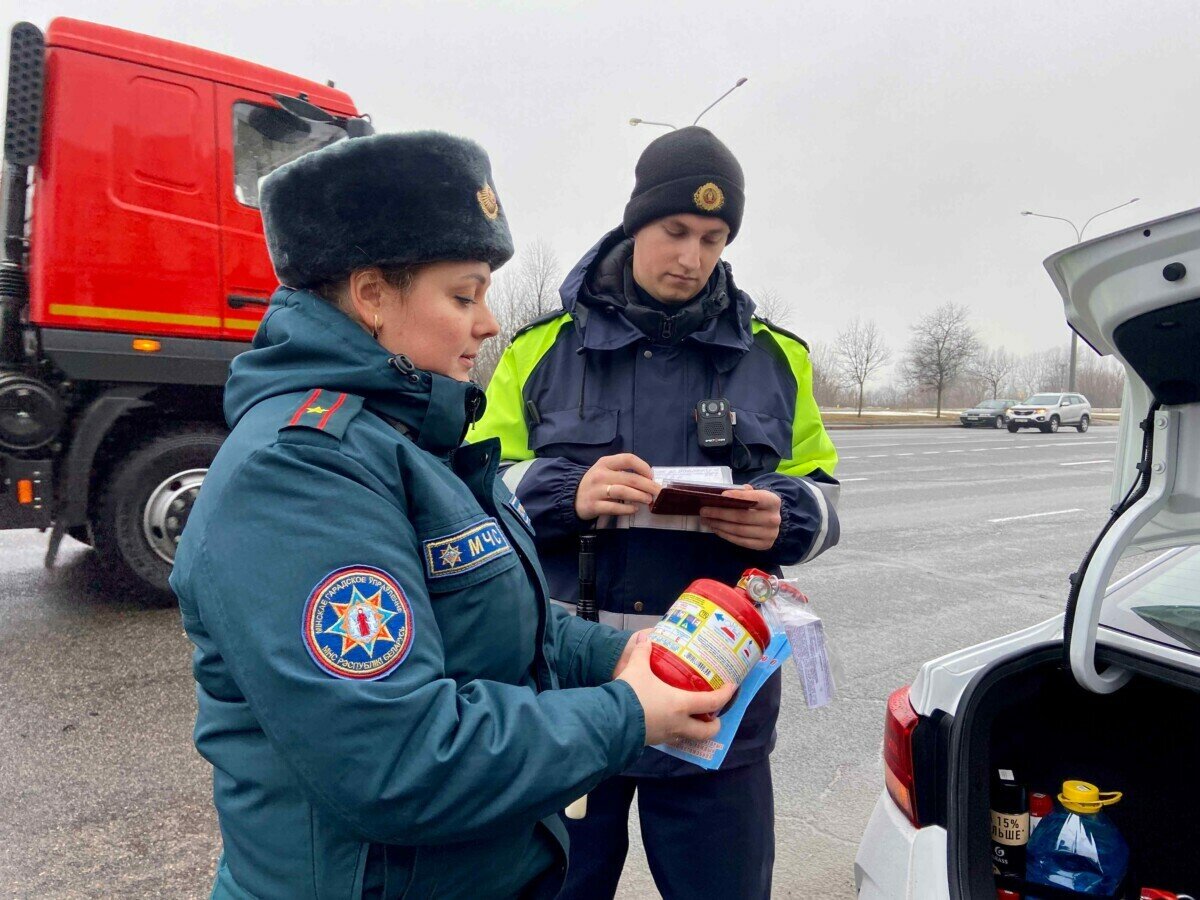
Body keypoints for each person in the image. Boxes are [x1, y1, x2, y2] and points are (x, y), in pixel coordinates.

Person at [169, 131, 733, 900]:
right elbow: (397, 759)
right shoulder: (298, 473)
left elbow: (505, 621)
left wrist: (614, 658)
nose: (489, 322)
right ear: (371, 297)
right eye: (463, 296)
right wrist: (626, 715)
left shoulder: (412, 436)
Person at [471, 125, 840, 899]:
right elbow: (469, 487)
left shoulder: (777, 358)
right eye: (675, 231)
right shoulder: (540, 349)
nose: (690, 257)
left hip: (718, 698)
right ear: (636, 222)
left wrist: (788, 516)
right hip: (568, 699)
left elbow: (822, 493)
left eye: (713, 238)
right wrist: (559, 493)